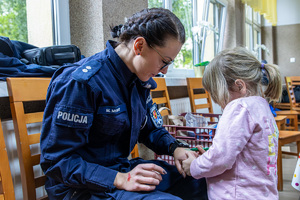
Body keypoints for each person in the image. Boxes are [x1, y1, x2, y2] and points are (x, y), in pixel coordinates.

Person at [40, 7, 207, 200]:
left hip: (121, 172)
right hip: (80, 188)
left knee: (201, 180)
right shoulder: (82, 82)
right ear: (139, 46)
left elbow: (150, 129)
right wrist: (119, 178)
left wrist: (176, 148)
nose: (165, 71)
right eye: (164, 61)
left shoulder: (139, 81)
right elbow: (57, 161)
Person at [182, 47, 282, 199]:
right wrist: (209, 157)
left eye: (221, 98)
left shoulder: (239, 107)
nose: (222, 105)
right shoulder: (262, 107)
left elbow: (220, 159)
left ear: (240, 86)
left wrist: (194, 166)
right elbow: (241, 154)